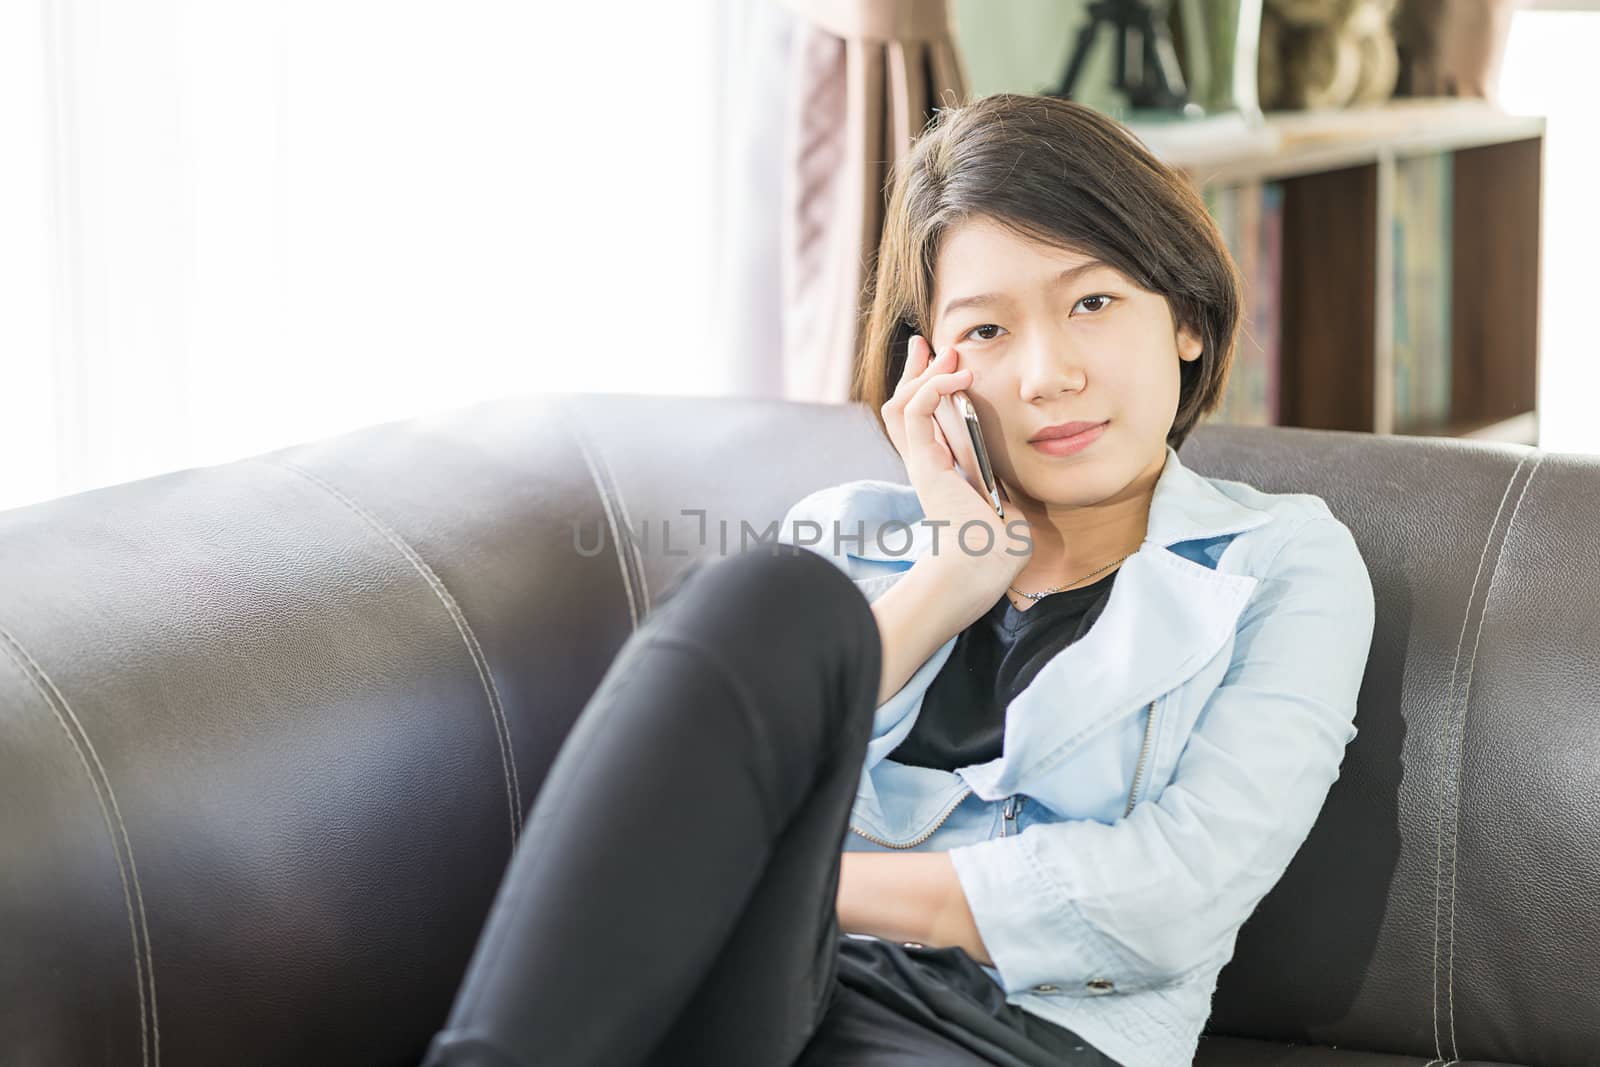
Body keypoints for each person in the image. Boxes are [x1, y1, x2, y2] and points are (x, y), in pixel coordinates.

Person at [421, 92, 1376, 1067]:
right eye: (987, 332)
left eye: (1091, 302)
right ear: (931, 368)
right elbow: (683, 792)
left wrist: (782, 877)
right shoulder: (840, 543)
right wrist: (950, 575)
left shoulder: (1281, 563)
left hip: (1024, 1040)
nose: (1047, 374)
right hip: (768, 998)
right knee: (770, 594)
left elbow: (1175, 895)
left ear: (1182, 314)